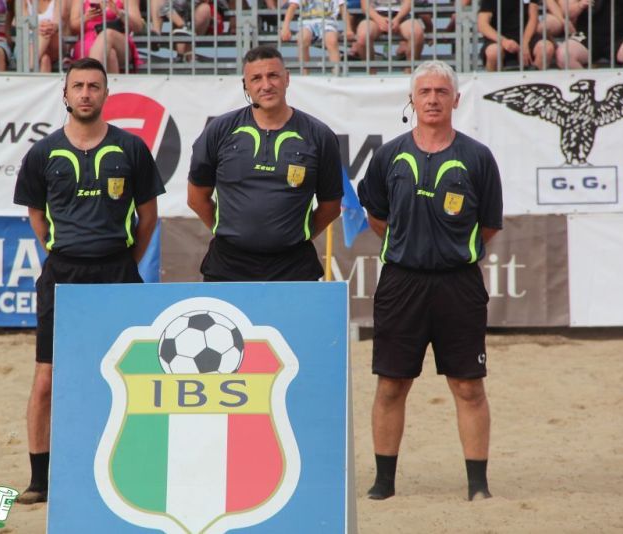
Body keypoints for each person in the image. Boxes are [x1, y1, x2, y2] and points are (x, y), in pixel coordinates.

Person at [12, 57, 164, 504]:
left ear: (105, 94)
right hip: (63, 275)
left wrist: (122, 260)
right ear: (65, 94)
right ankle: (40, 479)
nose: (84, 93)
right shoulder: (43, 153)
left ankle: (134, 467)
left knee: (131, 372)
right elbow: (37, 216)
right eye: (77, 86)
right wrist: (65, 255)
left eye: (93, 86)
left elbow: (148, 216)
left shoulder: (131, 149)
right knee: (47, 379)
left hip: (118, 271)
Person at [357, 60, 503, 501]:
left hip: (458, 284)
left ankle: (478, 486)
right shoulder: (388, 156)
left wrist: (449, 250)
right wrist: (411, 246)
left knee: (468, 386)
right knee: (391, 384)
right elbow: (378, 217)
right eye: (425, 92)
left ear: (456, 100)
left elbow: (489, 225)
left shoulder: (478, 157)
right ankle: (384, 482)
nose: (434, 99)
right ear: (412, 100)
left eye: (442, 91)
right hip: (402, 282)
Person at [186, 45, 343, 282]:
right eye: (256, 78)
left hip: (293, 266)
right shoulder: (220, 130)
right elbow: (196, 197)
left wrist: (294, 235)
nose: (266, 85)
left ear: (287, 79)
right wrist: (230, 232)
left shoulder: (319, 135)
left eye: (273, 76)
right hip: (228, 265)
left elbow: (331, 205)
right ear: (245, 85)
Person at [555, 0, 623, 69]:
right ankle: (588, 86)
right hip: (587, 35)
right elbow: (568, 13)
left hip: (620, 37)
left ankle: (622, 87)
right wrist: (579, 5)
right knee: (564, 55)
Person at [280, 0, 355, 75]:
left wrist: (348, 29)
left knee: (332, 40)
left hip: (328, 22)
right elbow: (292, 7)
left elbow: (343, 8)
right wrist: (285, 27)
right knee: (302, 39)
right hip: (306, 23)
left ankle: (336, 73)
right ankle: (304, 74)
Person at [70, 0, 145, 73]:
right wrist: (86, 17)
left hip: (118, 40)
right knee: (111, 55)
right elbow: (73, 29)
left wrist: (119, 13)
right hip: (88, 41)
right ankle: (105, 83)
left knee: (107, 34)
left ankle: (92, 78)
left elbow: (138, 26)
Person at [477, 0, 553, 71]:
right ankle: (495, 84)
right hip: (499, 38)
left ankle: (535, 82)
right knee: (493, 52)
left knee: (546, 48)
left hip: (526, 36)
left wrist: (525, 43)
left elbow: (533, 18)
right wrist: (504, 41)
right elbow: (482, 24)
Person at [352, 0, 425, 65]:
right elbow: (365, 5)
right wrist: (379, 20)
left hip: (401, 15)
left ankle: (410, 70)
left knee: (417, 32)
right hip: (375, 15)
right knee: (363, 36)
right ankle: (371, 71)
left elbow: (408, 3)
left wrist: (397, 19)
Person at [22, 0, 68, 72]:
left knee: (46, 31)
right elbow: (25, 22)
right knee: (45, 59)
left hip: (53, 41)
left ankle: (29, 67)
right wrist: (37, 28)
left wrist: (50, 27)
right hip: (29, 42)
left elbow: (57, 22)